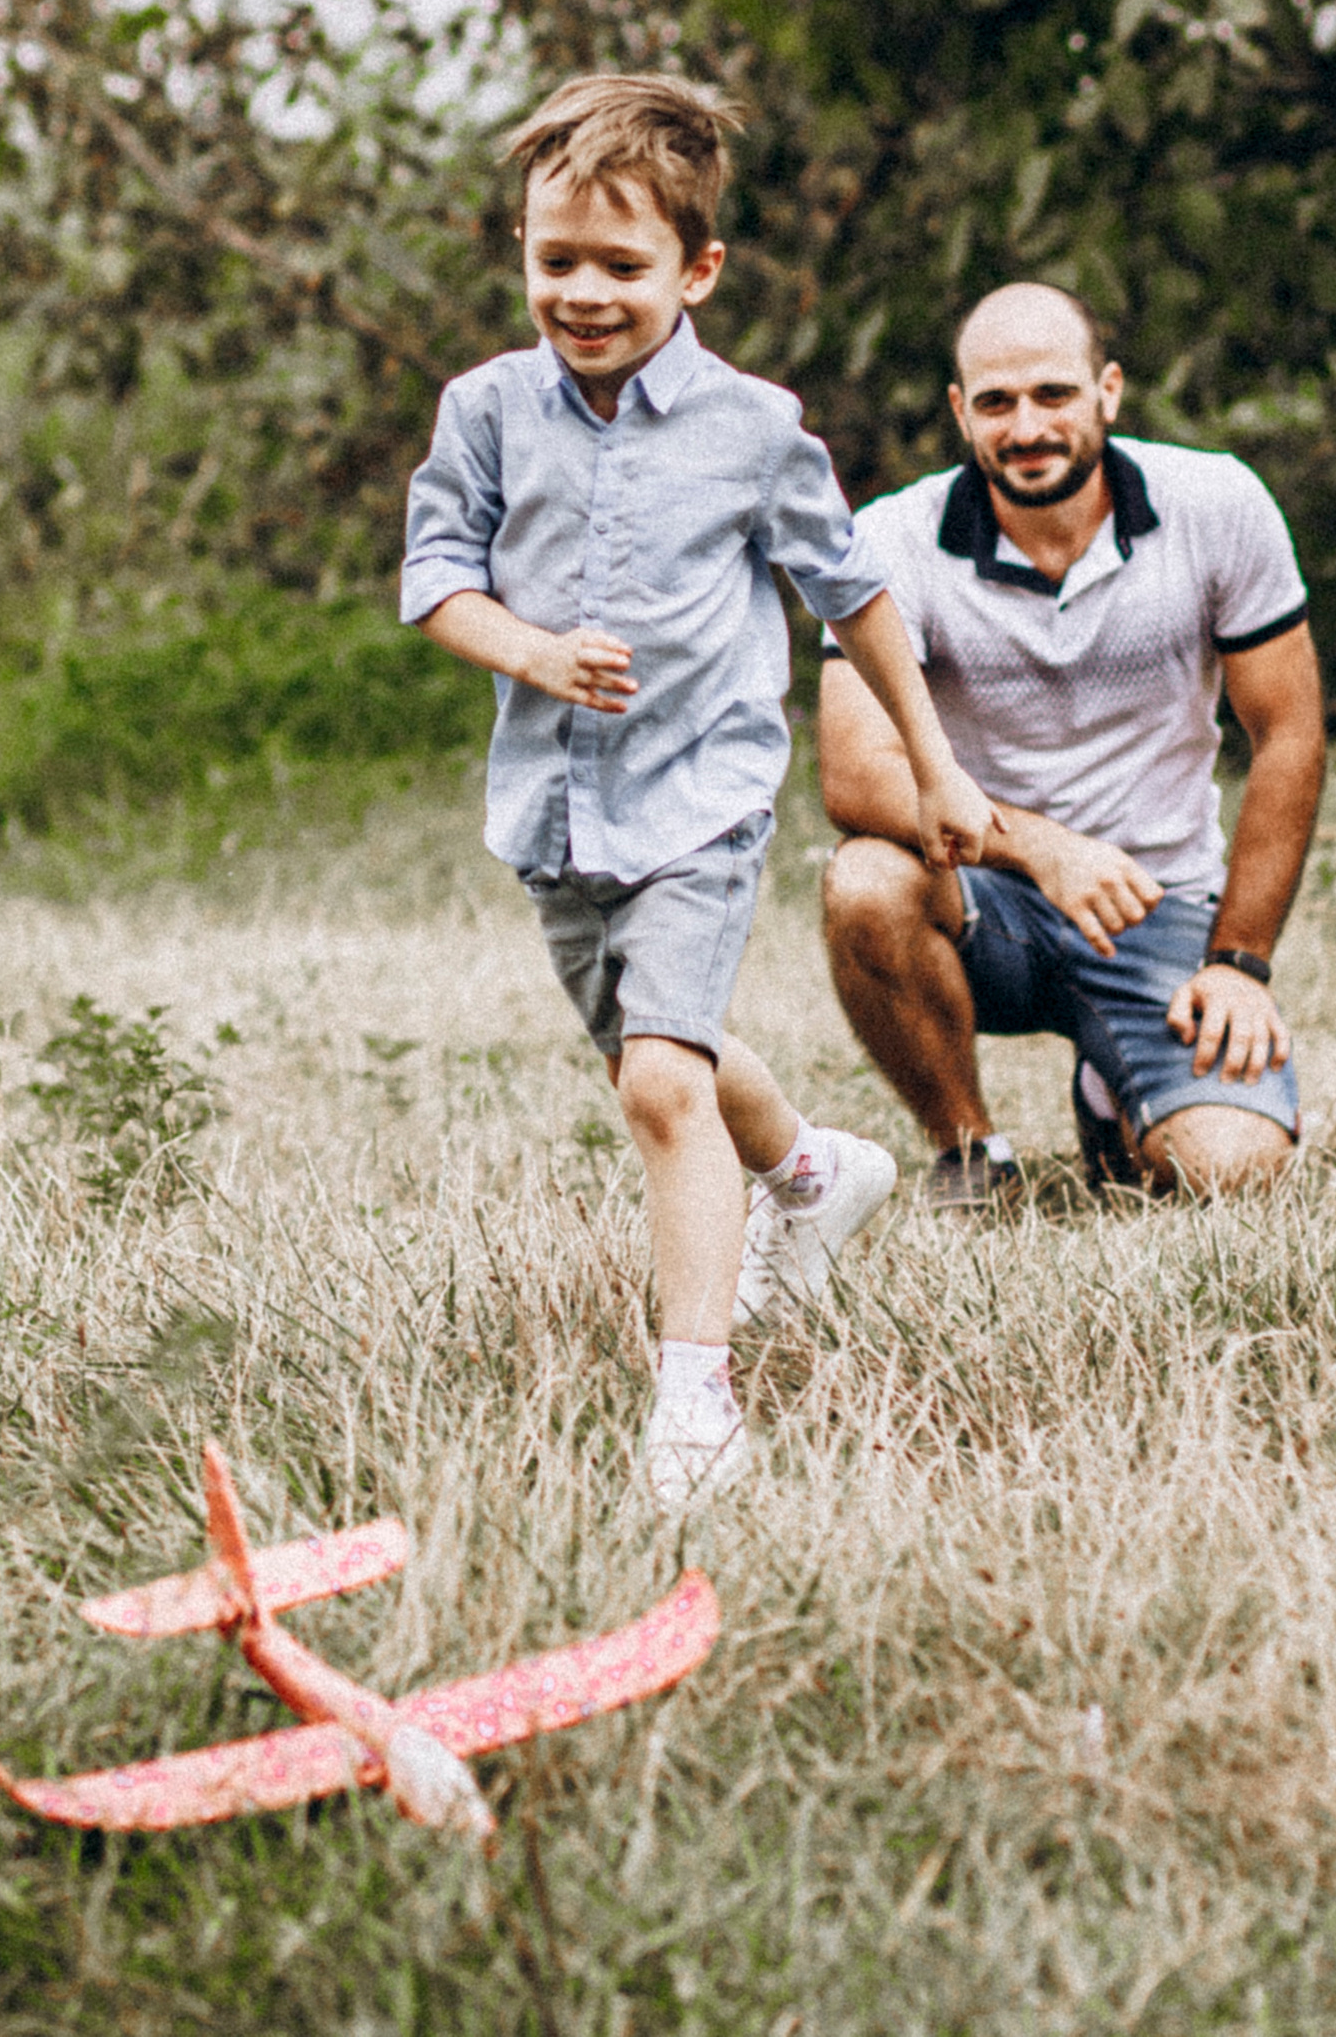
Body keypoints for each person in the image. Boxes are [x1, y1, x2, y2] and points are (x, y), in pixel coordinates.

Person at [402, 73, 991, 1511]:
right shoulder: (484, 412)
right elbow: (434, 585)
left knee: (660, 1085)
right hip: (552, 807)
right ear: (522, 254)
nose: (584, 292)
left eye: (622, 264)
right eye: (556, 262)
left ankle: (696, 1402)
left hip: (700, 803)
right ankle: (809, 1174)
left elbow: (853, 597)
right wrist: (530, 650)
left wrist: (934, 763)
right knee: (659, 1051)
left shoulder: (755, 428)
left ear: (698, 267)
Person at [816, 280, 1326, 1205]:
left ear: (1109, 393)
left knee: (1234, 1171)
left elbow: (1287, 734)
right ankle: (970, 1154)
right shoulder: (893, 537)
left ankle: (1112, 1100)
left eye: (1054, 395)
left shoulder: (1216, 504)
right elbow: (854, 775)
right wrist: (1042, 850)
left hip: (1157, 905)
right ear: (961, 412)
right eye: (998, 403)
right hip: (979, 900)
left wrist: (1241, 961)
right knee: (864, 881)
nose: (1027, 427)